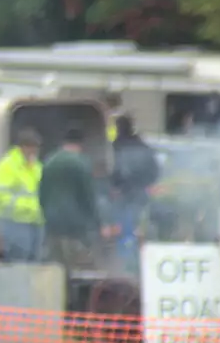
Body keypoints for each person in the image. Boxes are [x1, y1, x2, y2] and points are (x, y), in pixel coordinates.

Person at [38, 126, 106, 270]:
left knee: (56, 266)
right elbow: (88, 197)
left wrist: (46, 214)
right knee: (79, 266)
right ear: (80, 144)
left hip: (52, 223)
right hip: (75, 225)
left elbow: (41, 194)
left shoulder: (49, 161)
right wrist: (98, 223)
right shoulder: (81, 163)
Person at [108, 114, 160, 273]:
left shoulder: (115, 148)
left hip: (120, 196)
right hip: (140, 195)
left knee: (121, 231)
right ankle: (139, 265)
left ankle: (123, 266)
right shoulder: (144, 148)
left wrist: (114, 186)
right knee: (138, 230)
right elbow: (155, 172)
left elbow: (111, 171)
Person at [0, 128, 44, 261]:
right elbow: (0, 196)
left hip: (36, 221)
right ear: (22, 147)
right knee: (19, 259)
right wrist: (27, 207)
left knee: (35, 260)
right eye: (32, 148)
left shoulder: (36, 166)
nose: (34, 152)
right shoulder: (7, 166)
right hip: (16, 221)